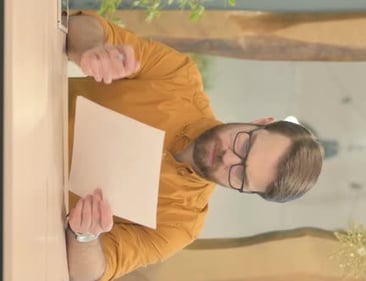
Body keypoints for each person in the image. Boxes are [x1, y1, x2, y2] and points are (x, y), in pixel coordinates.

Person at [65, 11, 323, 281]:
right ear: (259, 122)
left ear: (244, 190)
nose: (227, 159)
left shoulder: (180, 225)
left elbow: (90, 273)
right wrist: (94, 51)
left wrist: (85, 236)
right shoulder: (178, 77)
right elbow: (80, 25)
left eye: (240, 175)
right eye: (245, 145)